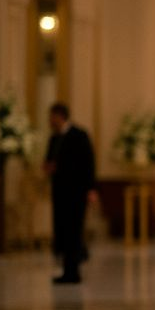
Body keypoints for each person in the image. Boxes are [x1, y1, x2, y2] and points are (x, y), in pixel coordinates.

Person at [43, 103, 96, 284]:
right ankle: (67, 268)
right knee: (63, 230)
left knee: (74, 229)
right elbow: (49, 160)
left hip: (76, 192)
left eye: (52, 116)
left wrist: (91, 188)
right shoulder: (54, 138)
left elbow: (88, 163)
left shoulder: (79, 136)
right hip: (60, 192)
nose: (50, 121)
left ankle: (74, 268)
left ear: (60, 116)